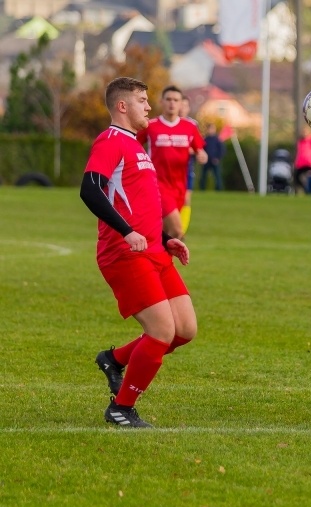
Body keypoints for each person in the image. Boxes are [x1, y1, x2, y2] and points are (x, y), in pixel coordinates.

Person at [79, 76, 198, 427]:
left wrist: (164, 239)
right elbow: (89, 189)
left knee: (184, 330)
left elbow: (139, 205)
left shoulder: (136, 147)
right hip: (124, 254)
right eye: (142, 100)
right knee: (161, 332)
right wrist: (127, 232)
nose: (149, 106)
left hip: (153, 252)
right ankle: (121, 408)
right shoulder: (111, 141)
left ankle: (114, 360)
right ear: (122, 106)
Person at [137, 86, 207, 239]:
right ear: (161, 101)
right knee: (177, 231)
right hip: (157, 185)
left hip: (179, 186)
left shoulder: (189, 127)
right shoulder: (151, 126)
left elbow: (200, 149)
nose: (172, 103)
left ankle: (158, 261)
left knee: (166, 234)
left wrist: (202, 155)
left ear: (182, 103)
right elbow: (132, 145)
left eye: (176, 100)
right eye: (168, 99)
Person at [179, 95, 199, 231]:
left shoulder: (192, 124)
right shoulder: (163, 124)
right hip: (165, 169)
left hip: (186, 167)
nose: (182, 108)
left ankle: (181, 230)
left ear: (188, 108)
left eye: (185, 106)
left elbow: (197, 147)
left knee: (186, 198)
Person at [294, 125, 311, 193]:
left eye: (306, 131)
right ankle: (305, 190)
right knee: (296, 177)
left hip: (309, 163)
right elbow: (299, 152)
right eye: (303, 131)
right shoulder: (300, 141)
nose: (304, 133)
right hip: (300, 163)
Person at [200, 123, 225, 191]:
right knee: (203, 176)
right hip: (206, 161)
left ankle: (219, 189)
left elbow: (222, 150)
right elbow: (202, 149)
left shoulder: (217, 140)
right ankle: (202, 189)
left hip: (215, 161)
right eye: (209, 129)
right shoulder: (205, 139)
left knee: (217, 176)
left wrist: (218, 158)